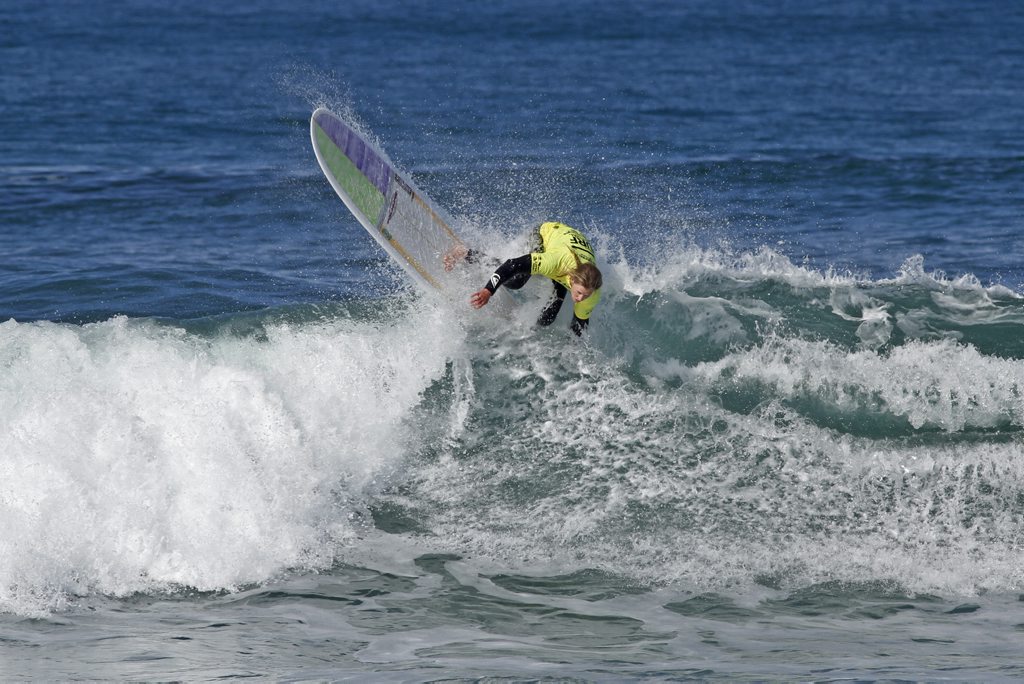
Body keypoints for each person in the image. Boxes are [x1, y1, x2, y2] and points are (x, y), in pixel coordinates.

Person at [446, 221, 602, 336]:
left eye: (585, 295)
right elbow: (512, 265)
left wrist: (575, 352)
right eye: (579, 293)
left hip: (571, 244)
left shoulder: (591, 290)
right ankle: (466, 253)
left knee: (547, 319)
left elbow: (579, 324)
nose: (581, 298)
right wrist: (488, 290)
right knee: (517, 281)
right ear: (573, 280)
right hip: (545, 234)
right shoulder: (553, 262)